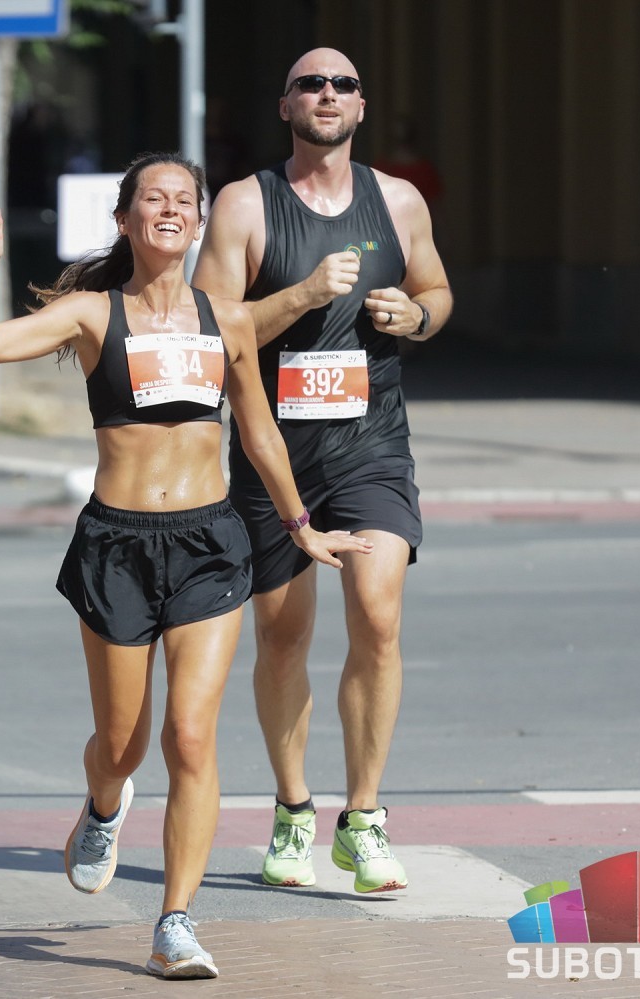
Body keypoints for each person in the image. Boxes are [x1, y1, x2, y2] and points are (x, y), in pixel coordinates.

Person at [0, 154, 370, 979]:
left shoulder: (228, 319)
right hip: (117, 544)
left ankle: (176, 920)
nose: (169, 210)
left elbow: (260, 432)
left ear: (199, 221)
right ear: (125, 219)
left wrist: (301, 526)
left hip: (210, 541)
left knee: (191, 734)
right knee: (123, 742)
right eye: (153, 199)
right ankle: (104, 805)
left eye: (183, 200)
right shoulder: (92, 313)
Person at [192, 48, 453, 896]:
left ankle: (365, 817)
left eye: (343, 85)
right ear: (286, 106)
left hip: (372, 445)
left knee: (378, 615)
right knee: (283, 635)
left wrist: (416, 314)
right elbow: (211, 330)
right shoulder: (245, 204)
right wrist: (302, 295)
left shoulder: (398, 200)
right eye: (311, 84)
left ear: (361, 106)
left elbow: (438, 292)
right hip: (275, 454)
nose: (328, 94)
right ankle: (293, 808)